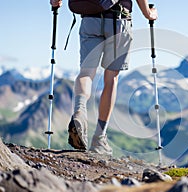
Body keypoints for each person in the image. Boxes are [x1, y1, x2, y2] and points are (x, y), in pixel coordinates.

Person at [50, 0, 158, 155]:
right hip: (118, 20)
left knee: (86, 73)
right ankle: (99, 139)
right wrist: (148, 13)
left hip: (89, 19)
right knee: (111, 78)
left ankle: (79, 113)